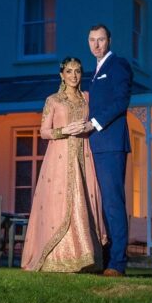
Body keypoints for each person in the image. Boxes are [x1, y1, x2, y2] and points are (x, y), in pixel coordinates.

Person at [20, 57, 106, 272]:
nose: (74, 75)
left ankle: (86, 258)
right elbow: (44, 132)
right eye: (69, 71)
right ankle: (56, 258)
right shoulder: (53, 100)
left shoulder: (87, 98)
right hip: (58, 159)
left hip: (83, 155)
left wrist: (87, 127)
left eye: (77, 71)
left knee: (83, 200)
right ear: (62, 75)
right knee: (61, 203)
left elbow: (96, 121)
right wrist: (64, 131)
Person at [75, 24, 133, 277]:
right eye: (91, 40)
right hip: (96, 145)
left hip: (110, 144)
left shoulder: (118, 65)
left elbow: (121, 101)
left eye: (100, 39)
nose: (96, 45)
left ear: (109, 40)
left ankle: (118, 263)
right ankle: (106, 259)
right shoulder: (94, 72)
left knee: (113, 204)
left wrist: (94, 123)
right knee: (101, 205)